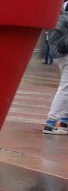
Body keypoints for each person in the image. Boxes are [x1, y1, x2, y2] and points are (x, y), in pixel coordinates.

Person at [42, 7, 68, 135]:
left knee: (66, 87)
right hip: (66, 55)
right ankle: (51, 123)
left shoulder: (58, 16)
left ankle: (64, 120)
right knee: (65, 88)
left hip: (60, 55)